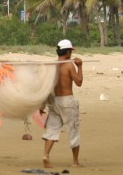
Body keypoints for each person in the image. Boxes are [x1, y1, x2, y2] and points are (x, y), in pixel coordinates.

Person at [41, 39, 83, 168]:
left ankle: (46, 155)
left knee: (51, 130)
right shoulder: (69, 65)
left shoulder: (53, 66)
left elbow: (47, 87)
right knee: (73, 130)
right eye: (71, 51)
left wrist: (42, 105)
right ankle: (75, 162)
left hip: (54, 102)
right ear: (68, 52)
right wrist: (80, 67)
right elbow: (79, 82)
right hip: (67, 101)